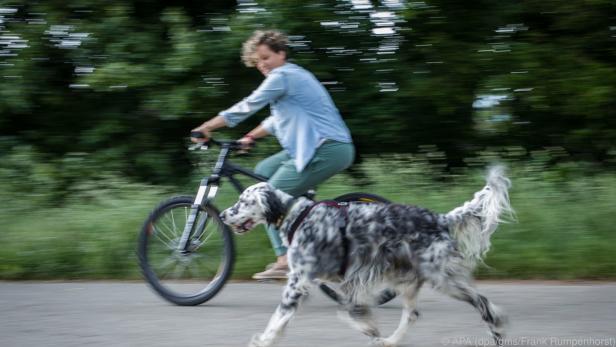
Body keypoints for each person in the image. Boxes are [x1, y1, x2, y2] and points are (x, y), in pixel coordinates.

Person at [191, 30, 355, 280]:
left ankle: (285, 259)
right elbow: (276, 120)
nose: (262, 65)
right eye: (257, 62)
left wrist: (207, 127)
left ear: (281, 53)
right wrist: (250, 137)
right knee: (264, 171)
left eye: (266, 57)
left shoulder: (283, 76)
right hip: (312, 149)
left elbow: (248, 105)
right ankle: (307, 233)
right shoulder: (291, 78)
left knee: (267, 198)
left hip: (327, 149)